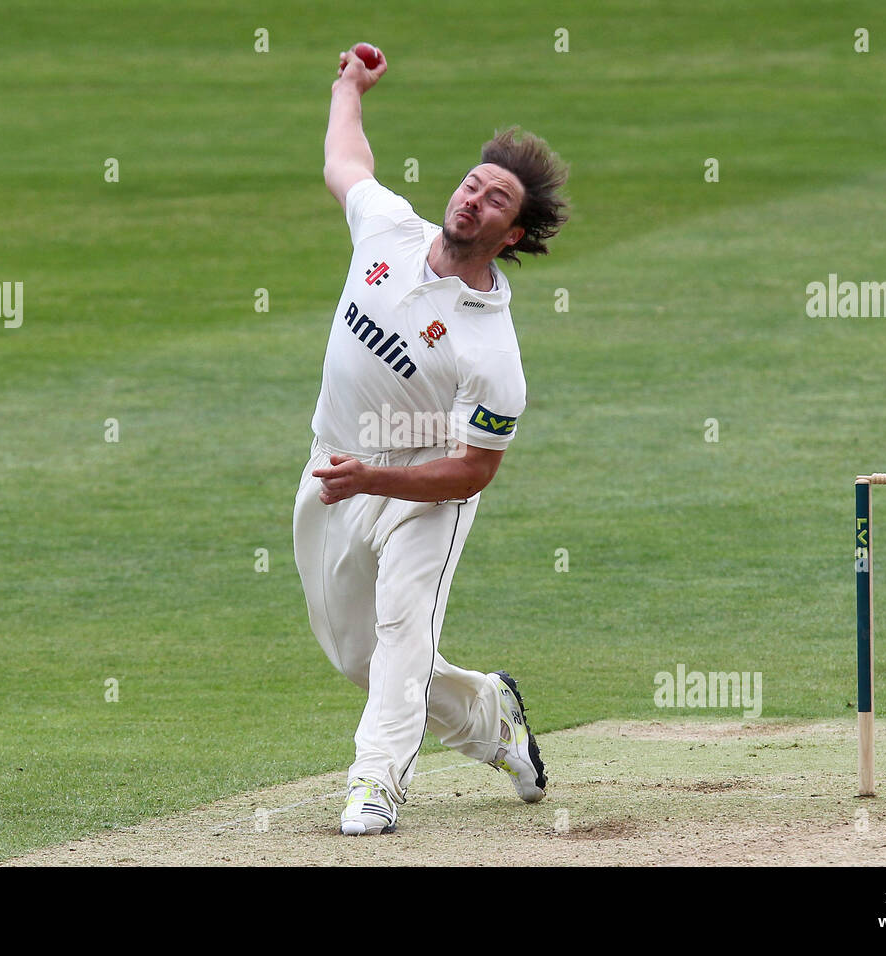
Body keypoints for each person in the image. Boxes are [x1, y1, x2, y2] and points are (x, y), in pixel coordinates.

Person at [292, 43, 570, 835]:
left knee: (402, 632)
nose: (473, 200)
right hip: (331, 464)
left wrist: (375, 476)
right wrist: (349, 86)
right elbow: (345, 159)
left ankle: (375, 783)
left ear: (512, 235)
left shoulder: (492, 353)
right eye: (473, 184)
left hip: (422, 483)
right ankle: (491, 719)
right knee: (356, 656)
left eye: (495, 203)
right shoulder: (386, 230)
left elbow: (472, 472)